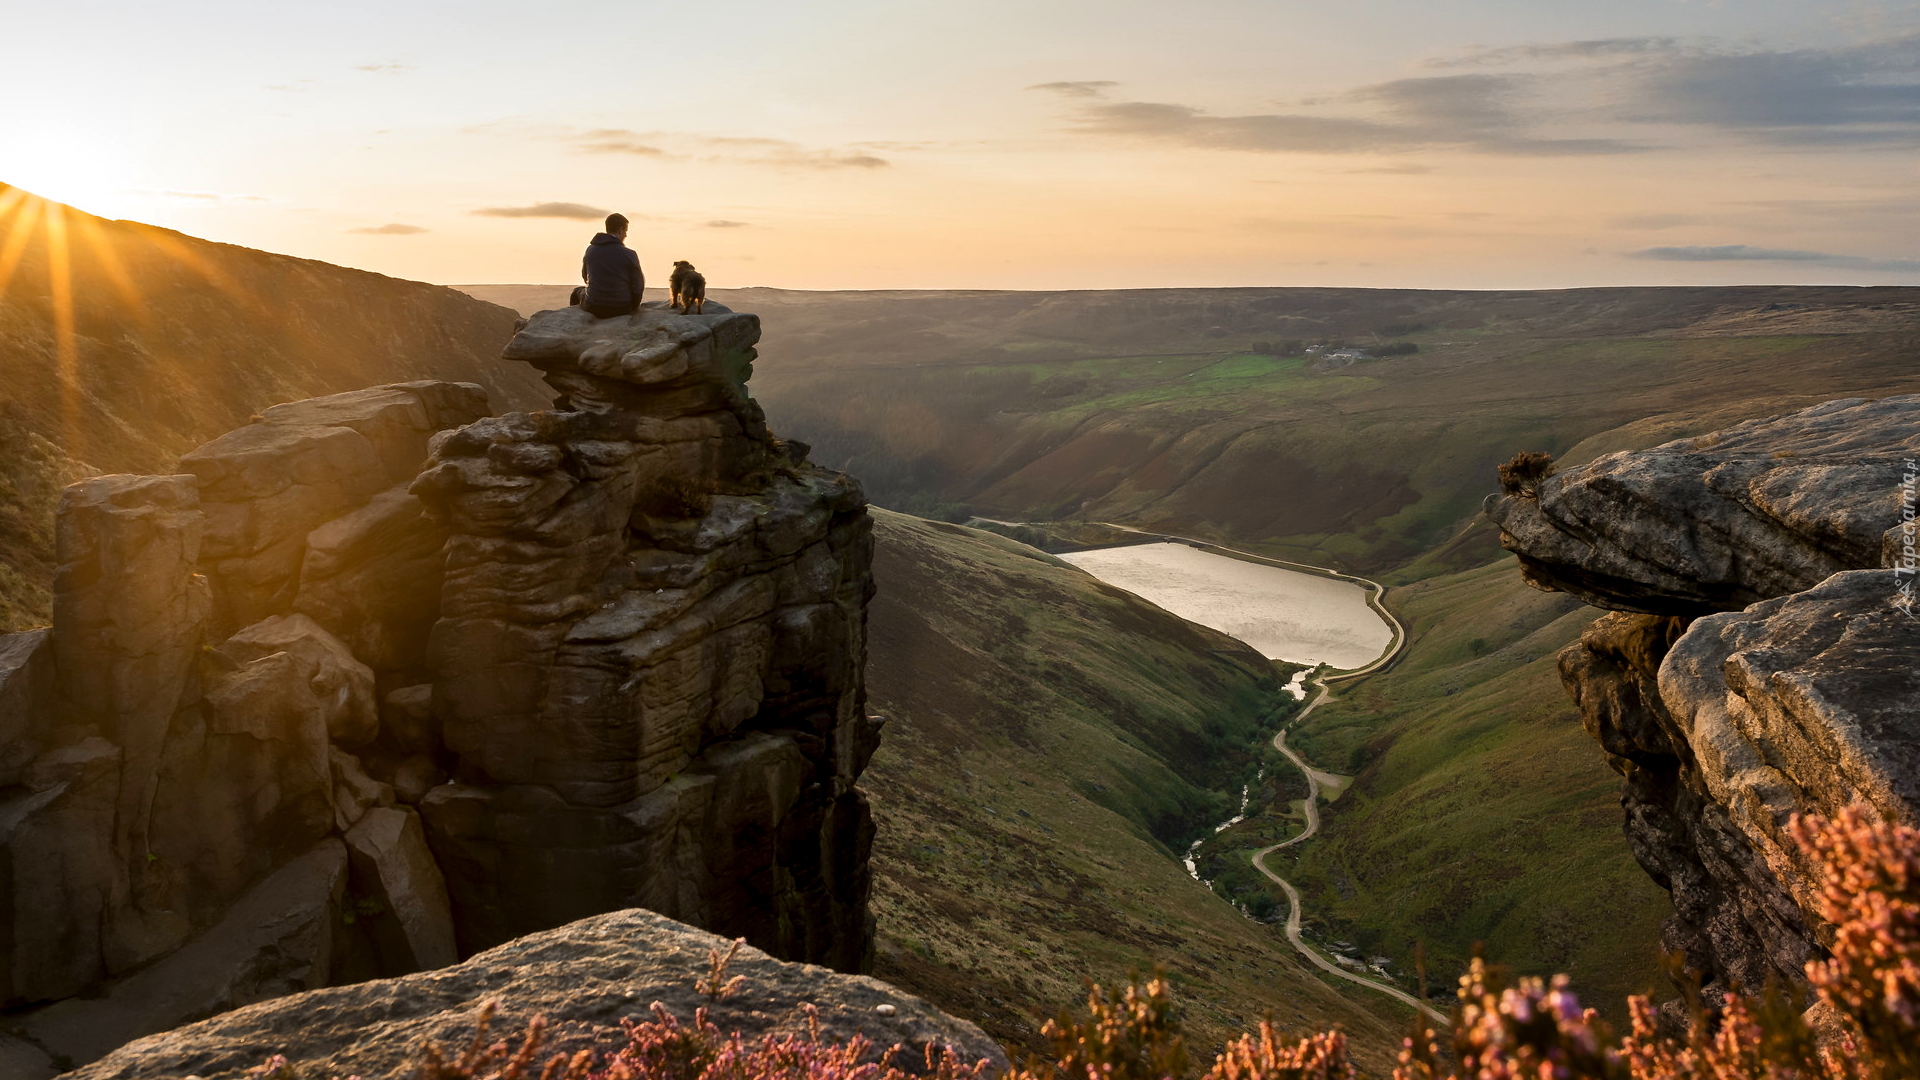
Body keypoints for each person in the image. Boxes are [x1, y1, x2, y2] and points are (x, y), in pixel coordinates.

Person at [578, 213, 644, 318]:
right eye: (626, 231)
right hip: (622, 308)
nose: (626, 235)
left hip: (594, 306)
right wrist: (634, 306)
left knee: (577, 292)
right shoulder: (630, 254)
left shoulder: (590, 250)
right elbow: (638, 286)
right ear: (620, 230)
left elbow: (585, 276)